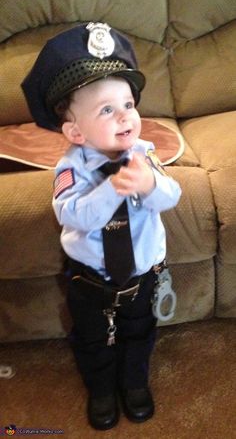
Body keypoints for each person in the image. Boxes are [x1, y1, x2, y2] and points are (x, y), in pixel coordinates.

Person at [22, 22, 182, 431]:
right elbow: (72, 215)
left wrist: (149, 184)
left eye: (129, 104)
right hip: (89, 279)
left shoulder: (144, 155)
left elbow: (172, 197)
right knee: (93, 340)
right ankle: (101, 390)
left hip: (142, 274)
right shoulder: (70, 169)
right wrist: (111, 189)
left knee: (140, 332)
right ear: (75, 131)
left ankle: (133, 384)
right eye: (106, 109)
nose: (125, 116)